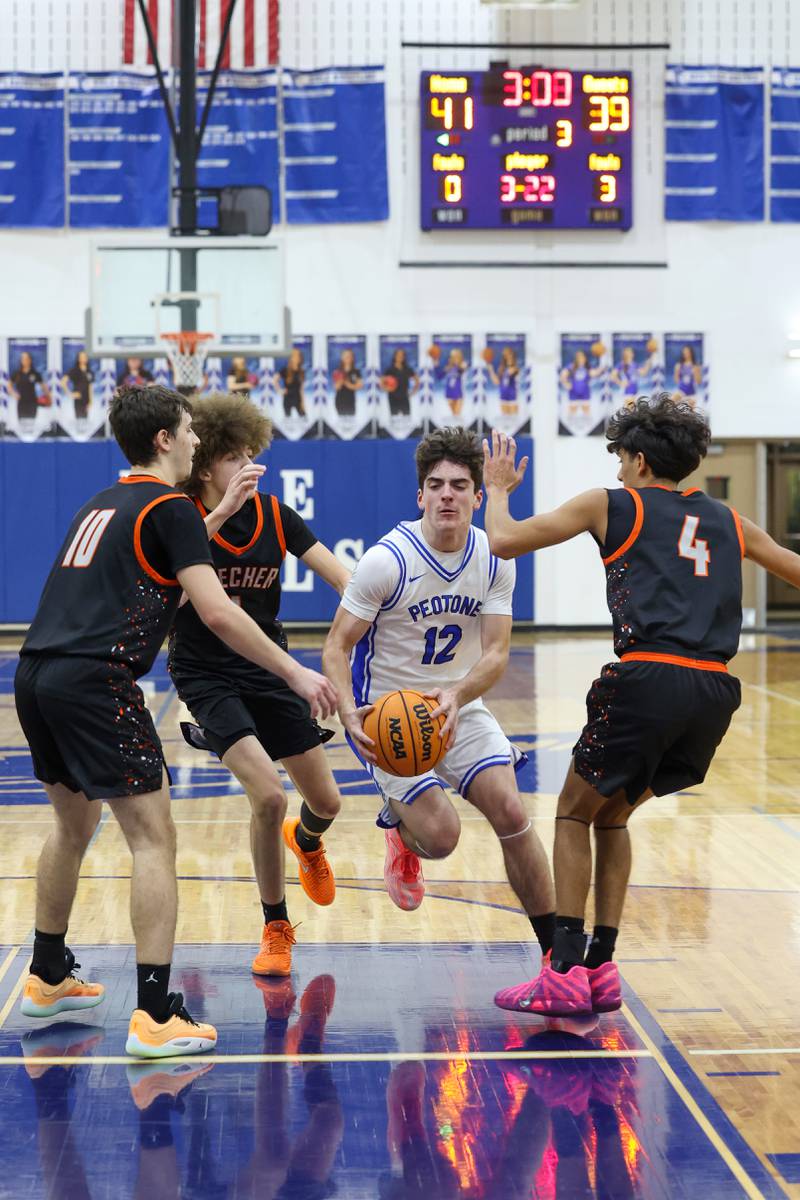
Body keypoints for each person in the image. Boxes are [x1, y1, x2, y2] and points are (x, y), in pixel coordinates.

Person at [13, 384, 338, 1058]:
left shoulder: (102, 503)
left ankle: (46, 975)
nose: (195, 439)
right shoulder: (169, 505)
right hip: (97, 681)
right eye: (188, 429)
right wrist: (297, 671)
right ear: (164, 439)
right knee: (154, 840)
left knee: (73, 824)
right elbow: (217, 612)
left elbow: (143, 567)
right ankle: (157, 1014)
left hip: (36, 675)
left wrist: (215, 516)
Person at [483, 394, 800, 1016]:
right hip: (713, 691)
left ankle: (564, 970)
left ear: (638, 457)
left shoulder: (611, 504)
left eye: (621, 457)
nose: (619, 468)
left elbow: (504, 541)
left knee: (573, 814)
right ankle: (601, 966)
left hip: (648, 676)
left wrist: (497, 489)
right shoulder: (731, 521)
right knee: (613, 816)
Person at [323, 427, 555, 960]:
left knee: (511, 812)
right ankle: (402, 834)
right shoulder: (387, 562)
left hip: (460, 702)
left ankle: (555, 955)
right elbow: (336, 647)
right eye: (436, 484)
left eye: (459, 484)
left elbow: (496, 653)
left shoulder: (496, 558)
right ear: (420, 496)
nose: (446, 494)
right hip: (388, 716)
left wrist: (458, 693)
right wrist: (347, 714)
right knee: (443, 837)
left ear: (479, 496)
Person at [170, 392, 349, 976]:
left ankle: (310, 840)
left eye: (252, 451)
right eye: (232, 455)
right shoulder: (181, 516)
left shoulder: (275, 515)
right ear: (205, 466)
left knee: (325, 801)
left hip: (267, 664)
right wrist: (215, 513)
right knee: (268, 796)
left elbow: (340, 574)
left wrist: (373, 602)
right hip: (205, 670)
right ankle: (276, 926)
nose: (248, 463)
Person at [382, 347, 419, 419]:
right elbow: (381, 382)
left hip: (404, 397)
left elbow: (417, 380)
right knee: (394, 418)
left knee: (407, 418)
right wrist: (387, 388)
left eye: (402, 355)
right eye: (398, 355)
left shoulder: (407, 369)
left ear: (404, 357)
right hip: (393, 397)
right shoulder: (389, 369)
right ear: (395, 356)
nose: (400, 357)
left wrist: (413, 392)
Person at [11, 351, 46, 421]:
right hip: (21, 402)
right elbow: (9, 385)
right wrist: (13, 393)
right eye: (23, 359)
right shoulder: (17, 373)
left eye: (27, 359)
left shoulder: (35, 373)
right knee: (22, 422)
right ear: (21, 361)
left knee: (31, 422)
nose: (25, 361)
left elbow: (44, 387)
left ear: (30, 360)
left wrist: (43, 397)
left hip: (32, 401)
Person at [62, 350, 94, 420]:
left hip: (86, 399)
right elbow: (63, 382)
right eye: (81, 357)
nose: (83, 359)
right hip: (78, 398)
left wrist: (91, 401)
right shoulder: (74, 370)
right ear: (78, 359)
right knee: (79, 419)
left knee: (85, 419)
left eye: (84, 357)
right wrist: (69, 394)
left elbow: (90, 387)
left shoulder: (90, 372)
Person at [487, 346, 520, 415]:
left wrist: (503, 371)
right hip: (503, 397)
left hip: (513, 397)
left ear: (512, 355)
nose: (508, 356)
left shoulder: (515, 368)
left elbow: (511, 372)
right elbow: (497, 382)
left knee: (513, 422)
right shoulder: (501, 369)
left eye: (509, 354)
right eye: (505, 354)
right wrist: (491, 370)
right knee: (505, 422)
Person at [274, 347, 306, 417]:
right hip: (287, 399)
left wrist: (303, 403)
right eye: (294, 356)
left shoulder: (301, 371)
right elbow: (275, 380)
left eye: (298, 355)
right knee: (287, 420)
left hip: (298, 399)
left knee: (303, 418)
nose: (297, 358)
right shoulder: (285, 370)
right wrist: (279, 390)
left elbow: (301, 389)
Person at [333, 348, 363, 417]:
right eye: (345, 355)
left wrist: (347, 383)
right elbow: (336, 387)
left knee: (351, 419)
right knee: (341, 419)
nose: (347, 357)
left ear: (352, 358)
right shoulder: (338, 371)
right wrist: (340, 381)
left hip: (351, 400)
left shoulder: (356, 371)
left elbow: (359, 385)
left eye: (349, 355)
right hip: (340, 400)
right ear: (341, 358)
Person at [441, 349, 466, 417]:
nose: (454, 358)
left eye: (456, 356)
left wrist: (458, 365)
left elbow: (461, 371)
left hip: (458, 393)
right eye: (453, 357)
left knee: (457, 415)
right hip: (449, 393)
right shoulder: (448, 367)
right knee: (454, 415)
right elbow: (439, 376)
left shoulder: (462, 365)